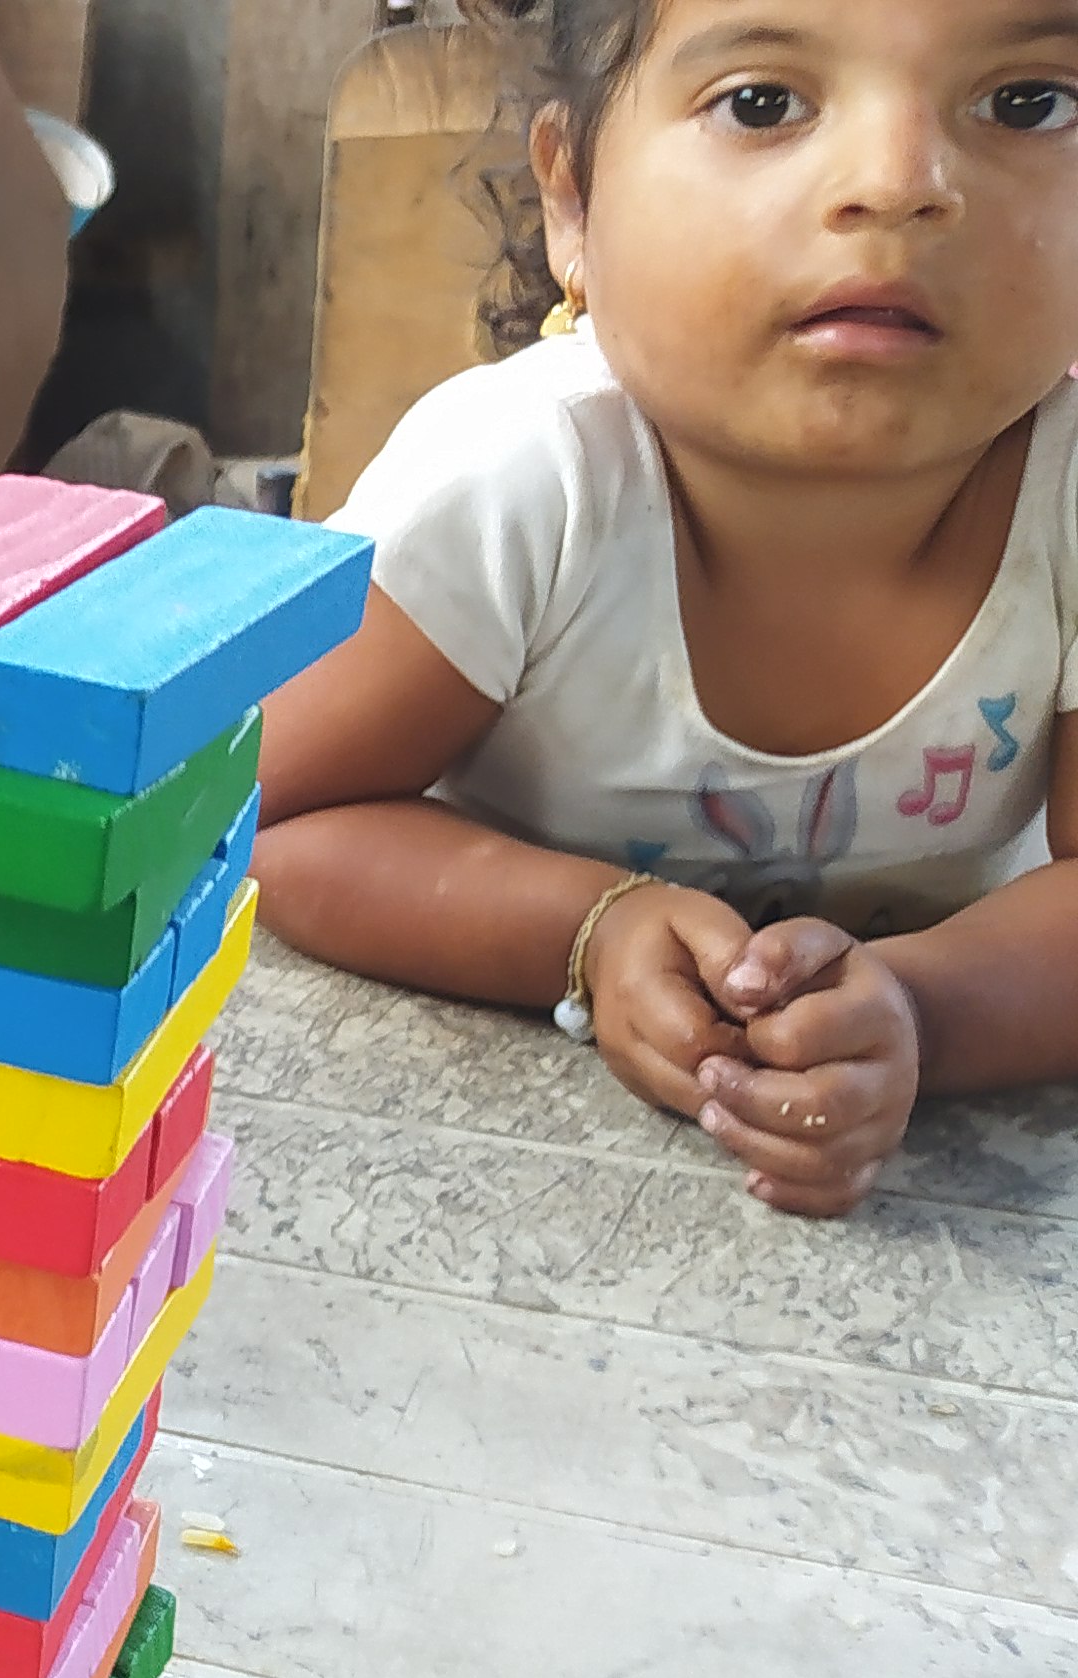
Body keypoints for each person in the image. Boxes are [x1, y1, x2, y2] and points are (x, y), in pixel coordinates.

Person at [260, 0, 1078, 1218]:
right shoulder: (515, 485)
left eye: (1026, 102)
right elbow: (267, 818)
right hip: (516, 1191)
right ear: (573, 199)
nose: (900, 184)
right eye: (761, 102)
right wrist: (585, 931)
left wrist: (920, 1007)